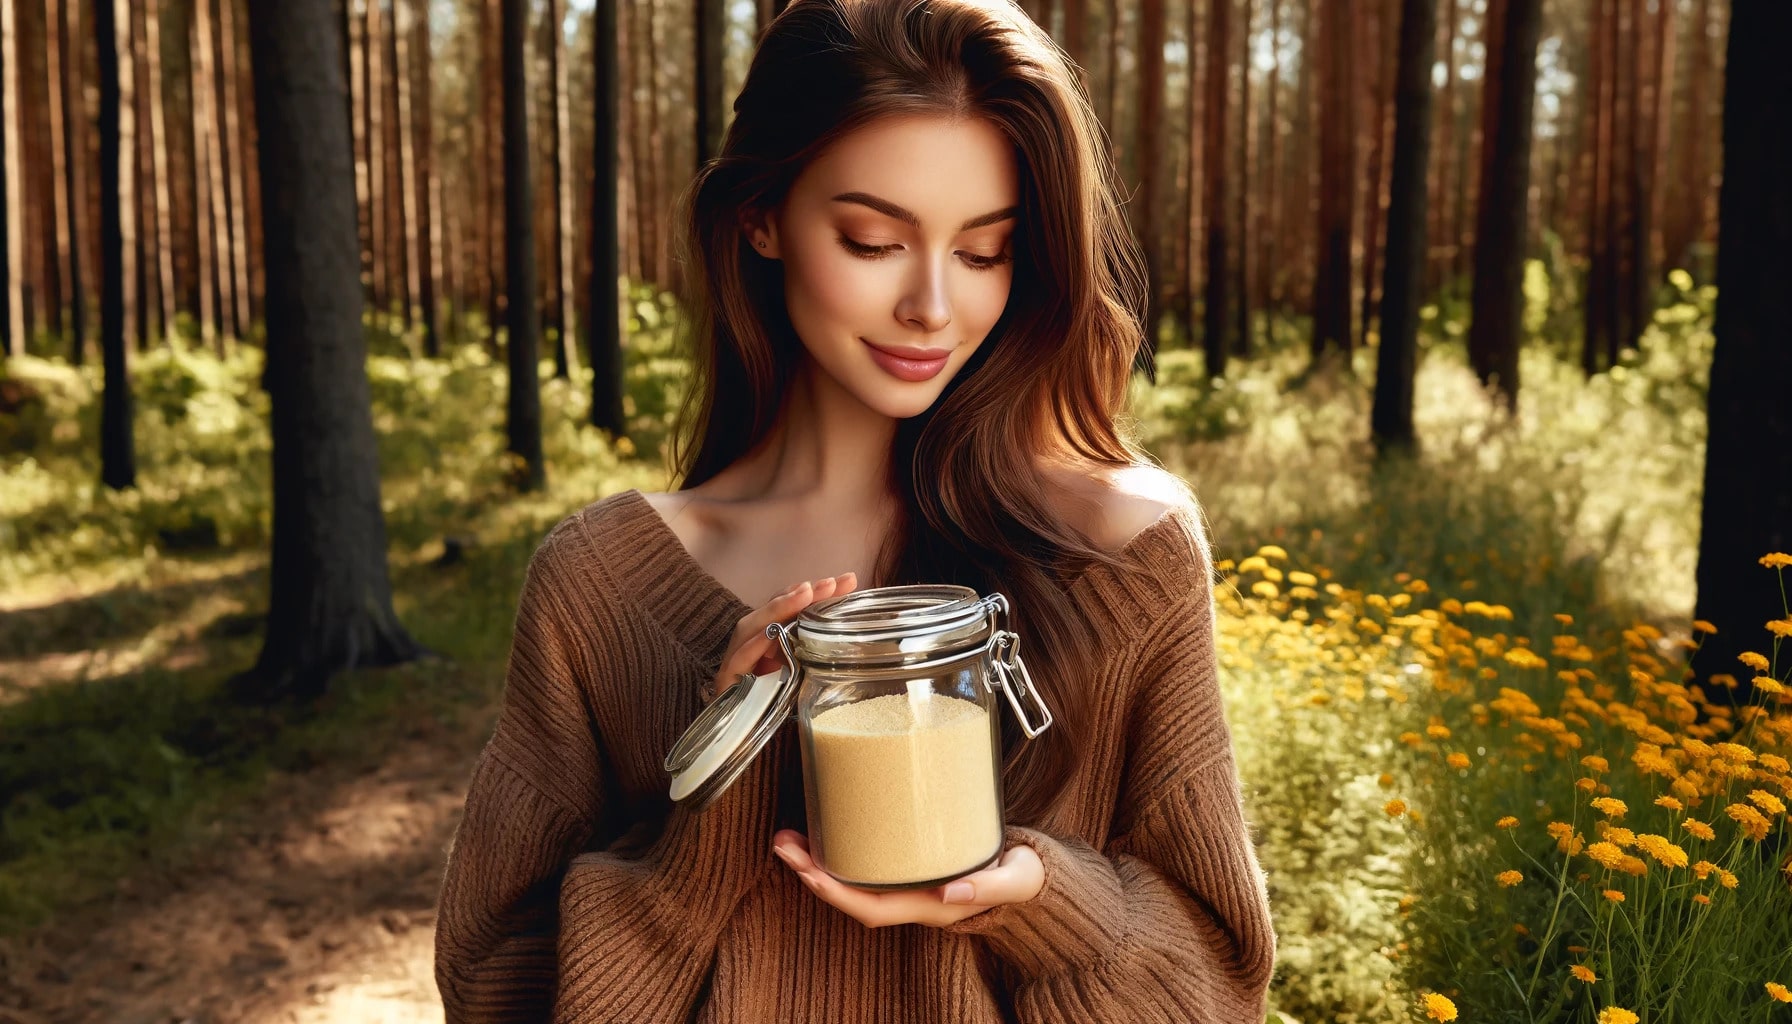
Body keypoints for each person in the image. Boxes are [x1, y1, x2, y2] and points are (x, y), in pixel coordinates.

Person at [433, 0, 1275, 1019]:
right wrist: (715, 807)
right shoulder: (601, 581)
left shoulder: (1123, 553)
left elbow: (1218, 982)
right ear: (761, 217)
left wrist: (1041, 905)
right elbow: (491, 983)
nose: (933, 307)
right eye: (873, 241)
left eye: (984, 252)